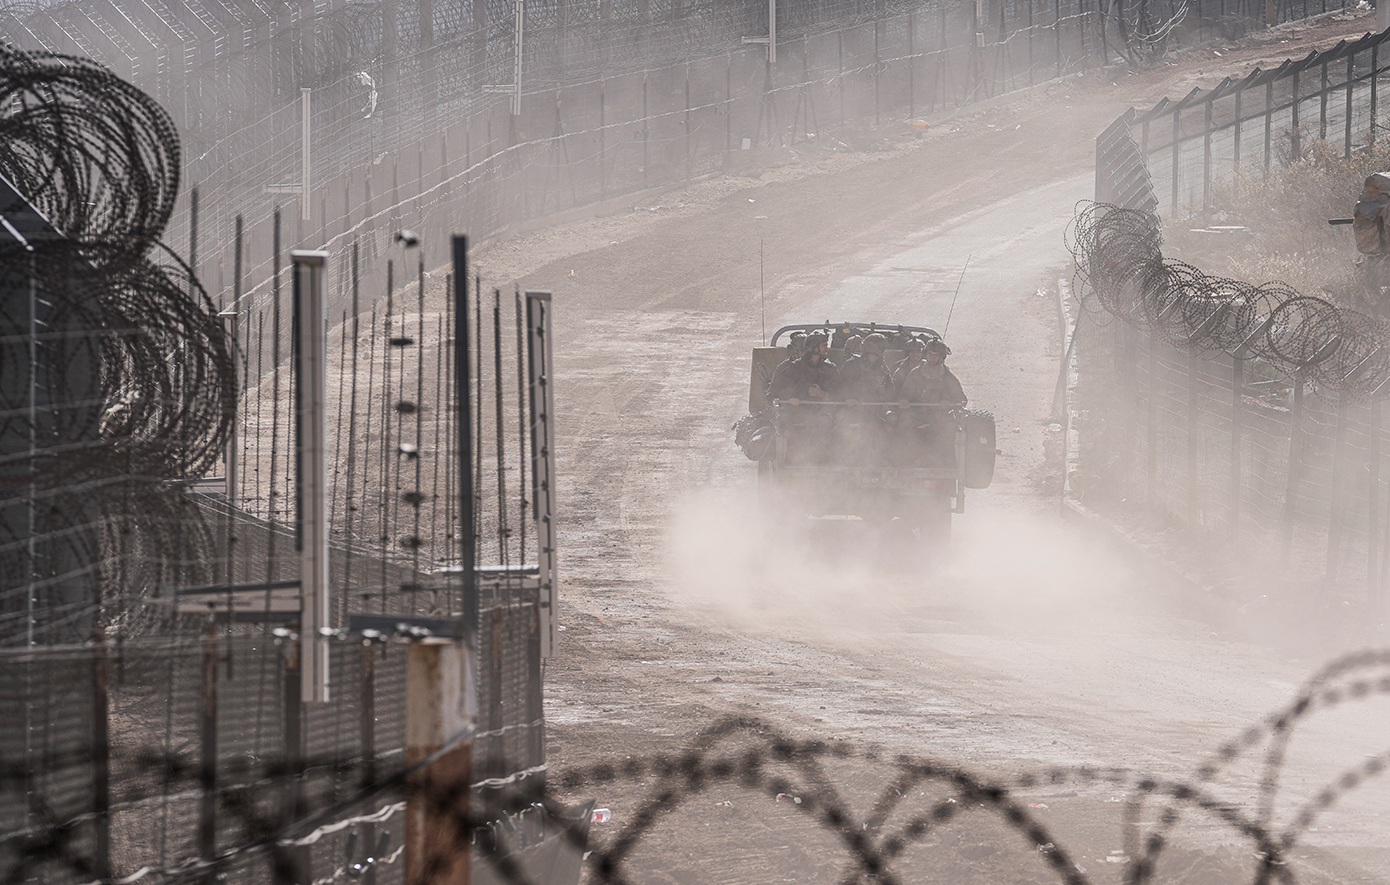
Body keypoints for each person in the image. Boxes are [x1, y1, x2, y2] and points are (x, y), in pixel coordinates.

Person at [898, 338, 966, 465]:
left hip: (939, 415)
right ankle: (905, 460)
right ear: (925, 354)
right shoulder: (915, 374)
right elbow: (903, 394)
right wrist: (904, 401)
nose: (932, 358)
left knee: (951, 427)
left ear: (942, 357)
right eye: (930, 354)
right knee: (903, 424)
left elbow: (961, 399)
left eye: (936, 356)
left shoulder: (947, 376)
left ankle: (945, 461)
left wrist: (948, 402)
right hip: (916, 413)